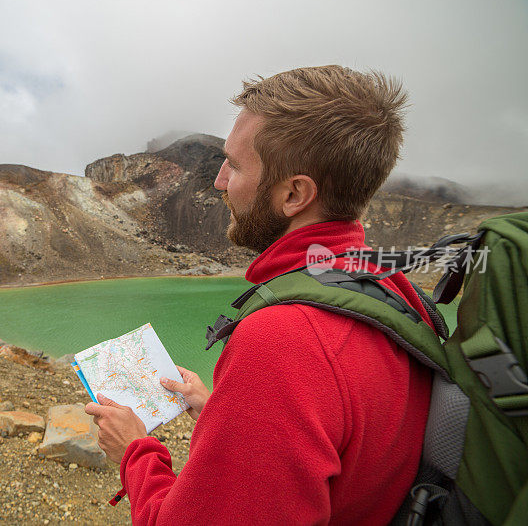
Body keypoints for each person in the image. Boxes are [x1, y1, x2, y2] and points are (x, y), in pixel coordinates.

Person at [85, 65, 434, 525]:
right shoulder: (388, 287)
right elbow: (343, 439)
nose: (219, 181)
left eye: (236, 165)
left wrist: (136, 452)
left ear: (293, 194)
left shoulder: (283, 343)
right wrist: (228, 414)